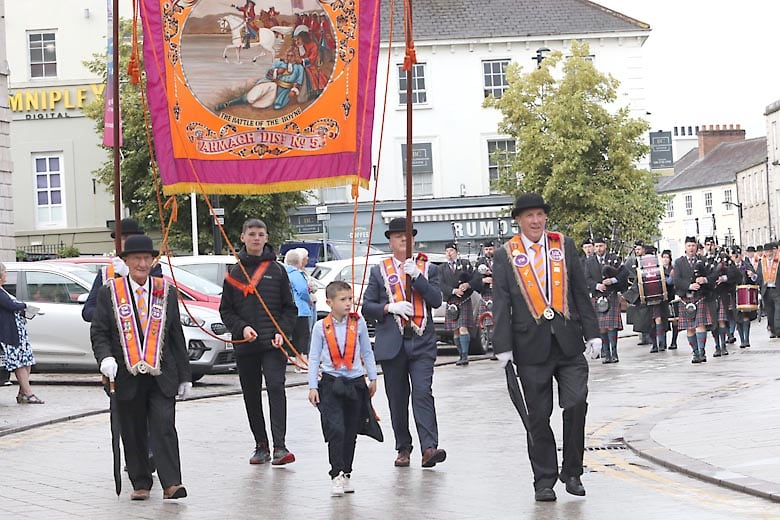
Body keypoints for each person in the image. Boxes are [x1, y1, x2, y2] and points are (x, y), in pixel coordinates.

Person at [491, 192, 600, 502]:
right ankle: (544, 480)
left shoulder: (562, 245)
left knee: (577, 402)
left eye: (540, 215)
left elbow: (580, 291)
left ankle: (573, 471)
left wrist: (593, 332)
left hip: (567, 342)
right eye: (529, 216)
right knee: (538, 417)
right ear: (518, 221)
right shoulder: (505, 254)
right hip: (529, 347)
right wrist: (503, 346)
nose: (536, 221)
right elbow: (501, 302)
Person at [91, 235, 192, 501]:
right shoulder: (110, 292)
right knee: (133, 429)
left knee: (164, 426)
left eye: (147, 258)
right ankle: (141, 481)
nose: (142, 263)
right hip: (126, 374)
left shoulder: (165, 290)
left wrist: (185, 375)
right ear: (125, 262)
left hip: (162, 374)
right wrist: (105, 359)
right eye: (136, 258)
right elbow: (99, 332)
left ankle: (172, 483)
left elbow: (175, 335)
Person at [362, 217, 446, 468]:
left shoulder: (428, 267)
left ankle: (429, 447)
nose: (403, 240)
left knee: (422, 393)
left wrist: (417, 277)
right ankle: (403, 447)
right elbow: (367, 306)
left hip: (421, 342)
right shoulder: (380, 270)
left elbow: (436, 300)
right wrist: (390, 307)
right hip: (393, 343)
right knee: (397, 399)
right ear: (390, 241)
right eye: (398, 236)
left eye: (408, 236)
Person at [219, 218, 298, 465]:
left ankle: (280, 446)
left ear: (266, 238)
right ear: (242, 237)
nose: (256, 238)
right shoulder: (234, 272)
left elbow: (290, 309)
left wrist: (282, 332)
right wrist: (241, 328)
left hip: (273, 344)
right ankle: (260, 445)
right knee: (251, 395)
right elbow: (226, 311)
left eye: (260, 234)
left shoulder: (278, 270)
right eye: (251, 233)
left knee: (276, 388)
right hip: (246, 344)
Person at [308, 280, 378, 496]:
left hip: (355, 382)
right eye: (343, 299)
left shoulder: (359, 323)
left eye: (350, 299)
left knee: (350, 431)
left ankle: (347, 473)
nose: (349, 303)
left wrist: (373, 377)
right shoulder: (321, 327)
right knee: (335, 429)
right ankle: (336, 473)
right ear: (329, 302)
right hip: (331, 383)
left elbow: (367, 351)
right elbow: (313, 357)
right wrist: (312, 386)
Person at [83, 218, 151, 322]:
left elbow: (155, 300)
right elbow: (87, 311)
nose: (127, 242)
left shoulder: (151, 268)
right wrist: (111, 314)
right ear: (115, 242)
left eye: (131, 238)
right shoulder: (106, 272)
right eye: (123, 238)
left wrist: (129, 275)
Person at [0, 262, 43, 404]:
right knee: (19, 363)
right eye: (5, 272)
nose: (6, 275)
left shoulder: (3, 290)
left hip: (19, 333)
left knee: (27, 361)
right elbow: (11, 305)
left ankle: (23, 392)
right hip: (9, 334)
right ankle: (28, 393)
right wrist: (25, 305)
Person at [215, 48, 304, 111]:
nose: (289, 58)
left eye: (292, 56)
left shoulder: (299, 67)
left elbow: (299, 82)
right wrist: (277, 71)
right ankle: (228, 104)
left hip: (285, 90)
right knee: (251, 97)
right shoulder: (280, 63)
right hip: (273, 85)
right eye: (288, 55)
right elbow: (269, 73)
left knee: (278, 105)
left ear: (295, 56)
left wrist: (294, 90)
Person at [584, 237, 628, 363]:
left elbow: (624, 274)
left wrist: (612, 280)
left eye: (601, 246)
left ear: (605, 246)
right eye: (596, 246)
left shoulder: (614, 258)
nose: (599, 249)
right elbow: (586, 278)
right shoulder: (589, 262)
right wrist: (597, 285)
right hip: (598, 296)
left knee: (611, 326)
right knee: (602, 328)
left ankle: (614, 353)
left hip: (611, 294)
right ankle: (606, 353)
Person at [673, 236, 713, 363]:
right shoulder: (679, 262)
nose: (691, 248)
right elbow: (676, 280)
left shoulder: (703, 260)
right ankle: (695, 353)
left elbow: (711, 276)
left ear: (697, 247)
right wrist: (689, 286)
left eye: (693, 246)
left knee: (700, 325)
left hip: (700, 296)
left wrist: (704, 280)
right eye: (689, 246)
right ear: (685, 247)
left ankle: (702, 351)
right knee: (690, 327)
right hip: (686, 297)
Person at [439, 241, 475, 366]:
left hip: (464, 300)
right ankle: (460, 355)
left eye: (452, 251)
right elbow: (441, 284)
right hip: (451, 300)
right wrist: (453, 291)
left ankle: (465, 356)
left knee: (463, 327)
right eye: (447, 251)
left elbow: (474, 278)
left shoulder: (464, 264)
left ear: (456, 253)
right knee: (455, 330)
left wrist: (467, 285)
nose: (449, 254)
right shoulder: (441, 268)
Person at [284, 247, 313, 367]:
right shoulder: (296, 274)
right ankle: (302, 362)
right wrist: (309, 299)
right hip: (300, 308)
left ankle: (294, 359)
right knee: (303, 335)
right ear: (299, 262)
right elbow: (302, 290)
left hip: (289, 309)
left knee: (293, 336)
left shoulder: (284, 272)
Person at [732, 246, 758, 348]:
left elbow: (755, 278)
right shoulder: (729, 266)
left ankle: (746, 339)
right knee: (737, 317)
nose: (736, 257)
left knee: (746, 316)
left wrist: (752, 275)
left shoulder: (746, 265)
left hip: (744, 295)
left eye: (737, 255)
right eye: (734, 255)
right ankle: (742, 340)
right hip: (733, 295)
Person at [757, 242, 780, 338]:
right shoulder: (761, 263)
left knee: (778, 310)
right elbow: (758, 277)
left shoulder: (778, 261)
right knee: (769, 312)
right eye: (767, 252)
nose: (769, 254)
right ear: (764, 253)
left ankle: (778, 330)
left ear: (773, 252)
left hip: (777, 289)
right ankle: (773, 330)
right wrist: (753, 277)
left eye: (771, 251)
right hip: (766, 290)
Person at [661, 250, 680, 349]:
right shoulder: (659, 269)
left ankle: (674, 342)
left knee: (674, 320)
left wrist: (670, 278)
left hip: (672, 296)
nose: (665, 259)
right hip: (663, 297)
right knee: (663, 320)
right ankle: (662, 343)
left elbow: (671, 282)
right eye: (663, 257)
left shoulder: (673, 269)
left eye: (667, 257)